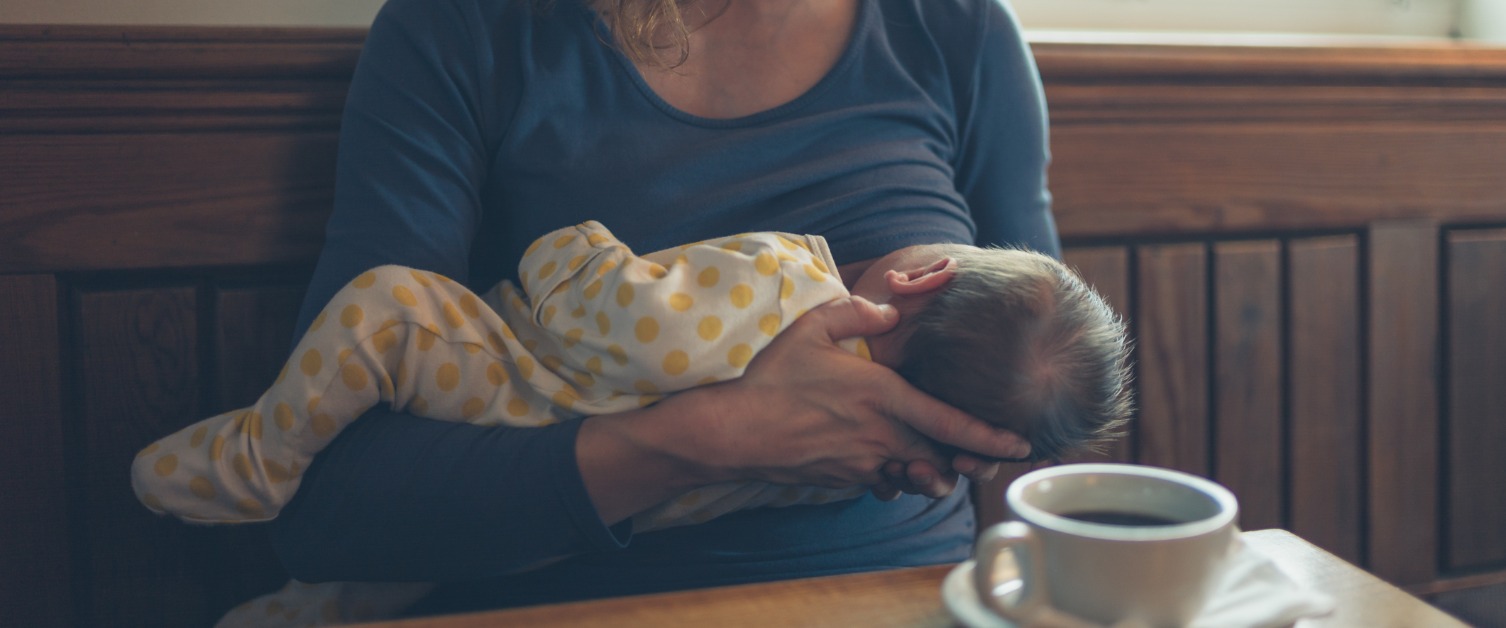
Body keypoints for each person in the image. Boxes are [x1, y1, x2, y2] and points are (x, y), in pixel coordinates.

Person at [237, 0, 1060, 620]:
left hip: (909, 598)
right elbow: (329, 511)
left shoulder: (957, 31)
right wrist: (711, 441)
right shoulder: (463, 30)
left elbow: (1041, 404)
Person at [134, 220, 1129, 624]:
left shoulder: (789, 275)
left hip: (501, 395)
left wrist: (571, 246)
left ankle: (256, 455)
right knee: (378, 580)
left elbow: (603, 306)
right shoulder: (852, 458)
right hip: (550, 528)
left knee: (384, 311)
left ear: (917, 275)